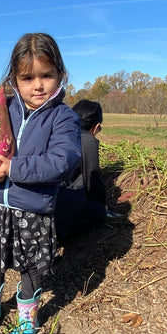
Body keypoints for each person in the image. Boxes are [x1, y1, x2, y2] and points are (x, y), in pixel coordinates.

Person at [0, 32, 81, 334]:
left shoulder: (63, 117)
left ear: (60, 75)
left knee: (30, 272)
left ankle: (27, 321)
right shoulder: (1, 108)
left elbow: (62, 161)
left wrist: (13, 168)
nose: (38, 85)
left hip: (34, 213)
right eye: (28, 77)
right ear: (14, 78)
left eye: (46, 75)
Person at [54, 99, 107, 241]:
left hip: (43, 200)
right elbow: (92, 177)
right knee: (99, 213)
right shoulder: (87, 140)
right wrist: (102, 205)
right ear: (96, 127)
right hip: (63, 203)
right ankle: (64, 236)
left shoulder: (58, 132)